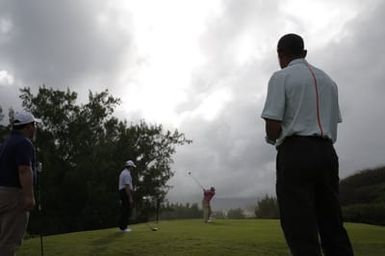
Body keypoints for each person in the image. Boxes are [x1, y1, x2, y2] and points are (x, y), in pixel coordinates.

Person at [261, 33, 354, 256]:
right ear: (304, 53)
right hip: (327, 153)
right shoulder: (329, 82)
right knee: (332, 225)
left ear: (280, 55)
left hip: (295, 153)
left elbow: (273, 127)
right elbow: (333, 120)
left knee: (299, 227)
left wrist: (272, 138)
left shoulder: (281, 77)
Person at [0, 111, 41, 256]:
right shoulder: (24, 143)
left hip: (3, 193)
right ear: (28, 127)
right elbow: (24, 169)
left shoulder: (6, 142)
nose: (35, 128)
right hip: (14, 195)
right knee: (9, 242)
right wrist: (29, 196)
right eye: (34, 125)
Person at [118, 160, 136, 232]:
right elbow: (127, 186)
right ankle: (124, 228)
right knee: (126, 210)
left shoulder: (123, 173)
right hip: (125, 192)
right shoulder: (127, 174)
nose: (133, 168)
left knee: (124, 209)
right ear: (130, 166)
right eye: (132, 167)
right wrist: (130, 197)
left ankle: (122, 227)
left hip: (122, 192)